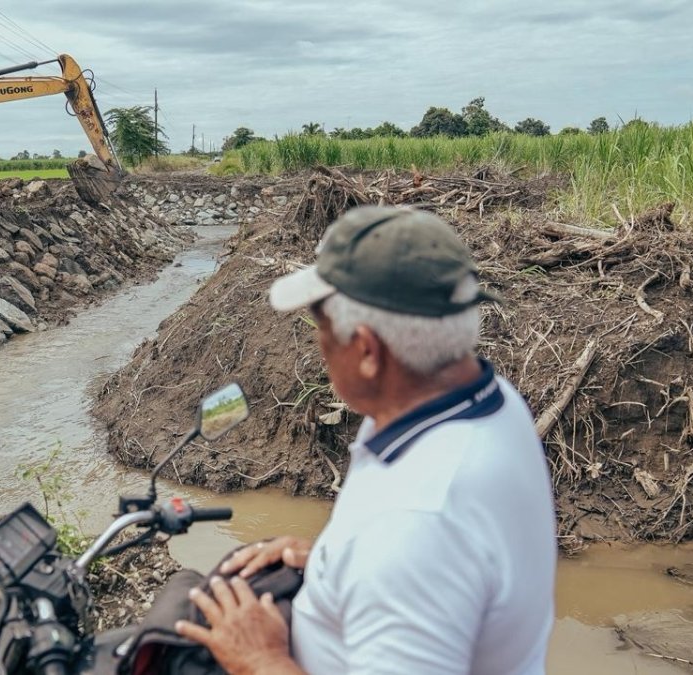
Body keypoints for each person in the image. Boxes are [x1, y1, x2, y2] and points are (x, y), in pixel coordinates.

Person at [175, 206, 557, 674]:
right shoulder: (490, 399)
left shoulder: (415, 526)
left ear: (367, 350)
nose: (319, 346)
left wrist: (258, 659)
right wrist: (335, 560)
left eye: (322, 328)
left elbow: (417, 549)